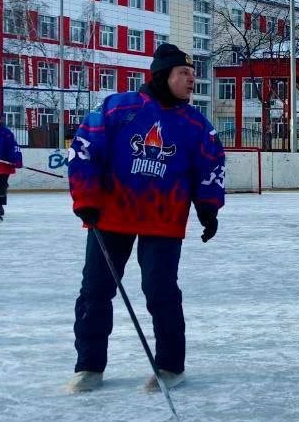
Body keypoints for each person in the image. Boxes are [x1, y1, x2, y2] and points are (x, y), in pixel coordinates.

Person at [65, 43, 225, 394]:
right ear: (162, 75)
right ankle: (89, 366)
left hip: (163, 219)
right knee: (95, 290)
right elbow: (83, 152)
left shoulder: (195, 125)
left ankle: (170, 365)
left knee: (160, 291)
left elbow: (211, 165)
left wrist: (208, 207)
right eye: (183, 73)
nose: (191, 80)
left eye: (192, 74)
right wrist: (87, 199)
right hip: (111, 216)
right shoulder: (118, 108)